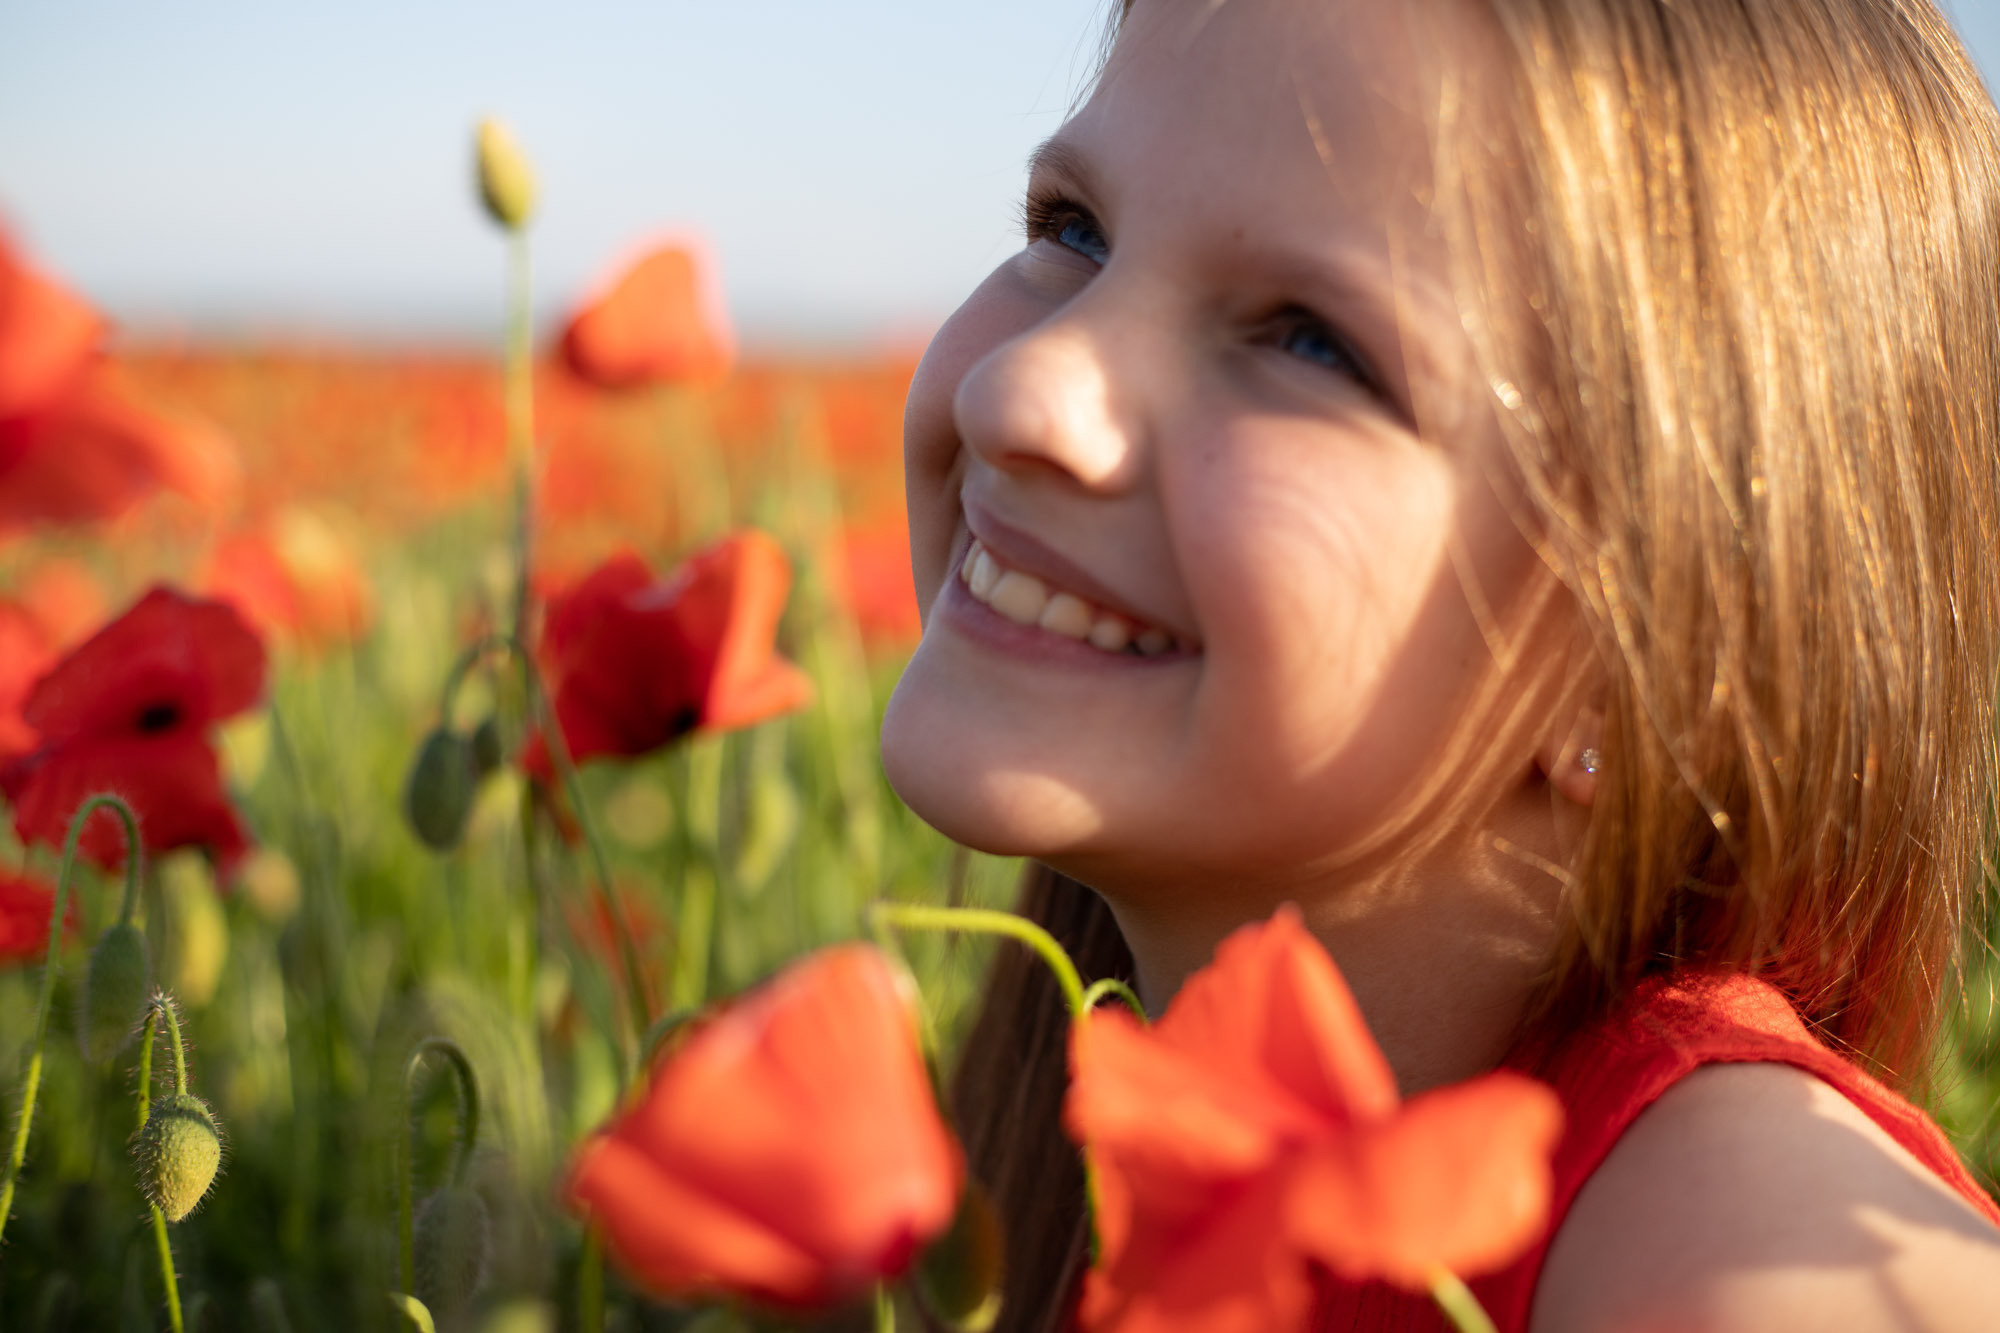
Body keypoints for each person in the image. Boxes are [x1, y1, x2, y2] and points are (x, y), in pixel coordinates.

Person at [879, 0, 2000, 1328]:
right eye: (1074, 229)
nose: (1020, 389)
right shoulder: (1074, 1129)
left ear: (1666, 686)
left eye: (1308, 338)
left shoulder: (1724, 1221)